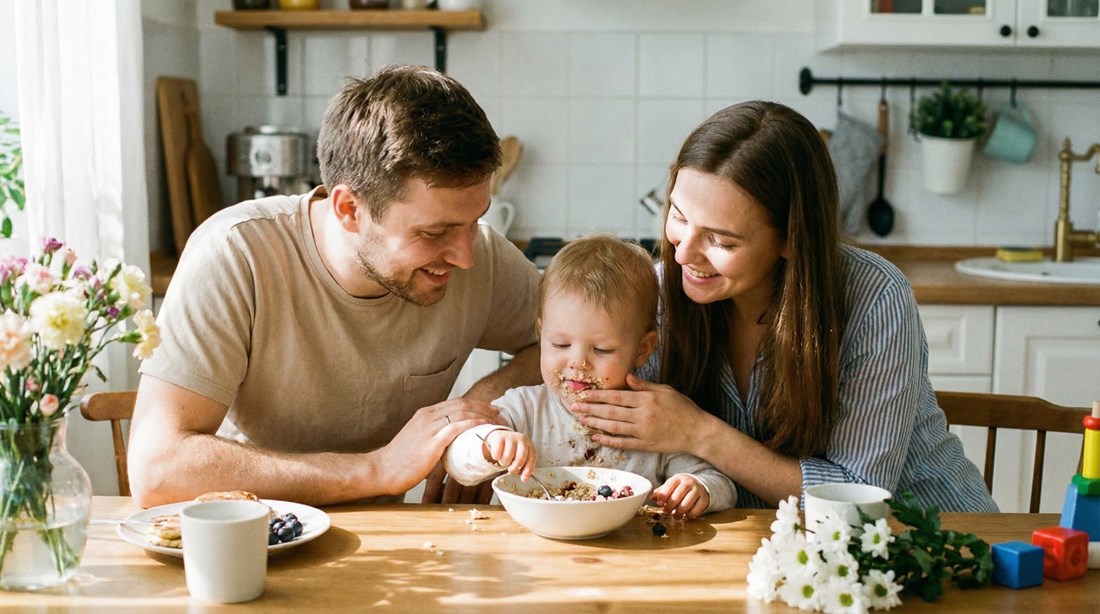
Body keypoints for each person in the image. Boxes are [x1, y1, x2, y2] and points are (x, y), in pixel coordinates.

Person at [128, 65, 543, 508]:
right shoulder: (235, 253)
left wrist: (479, 409)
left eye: (475, 221)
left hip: (398, 545)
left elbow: (567, 344)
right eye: (433, 233)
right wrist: (377, 470)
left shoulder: (480, 254)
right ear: (349, 208)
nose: (465, 255)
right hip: (256, 536)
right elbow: (158, 468)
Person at [569, 101, 997, 513]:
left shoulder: (875, 297)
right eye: (679, 217)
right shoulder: (657, 292)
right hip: (763, 549)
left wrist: (699, 432)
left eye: (721, 240)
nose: (684, 256)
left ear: (791, 239)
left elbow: (858, 495)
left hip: (929, 537)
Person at [443, 234, 736, 518]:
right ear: (541, 333)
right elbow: (456, 462)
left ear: (642, 349)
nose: (578, 362)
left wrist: (698, 488)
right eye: (560, 344)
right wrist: (489, 442)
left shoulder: (651, 421)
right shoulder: (525, 408)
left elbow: (722, 484)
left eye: (602, 349)